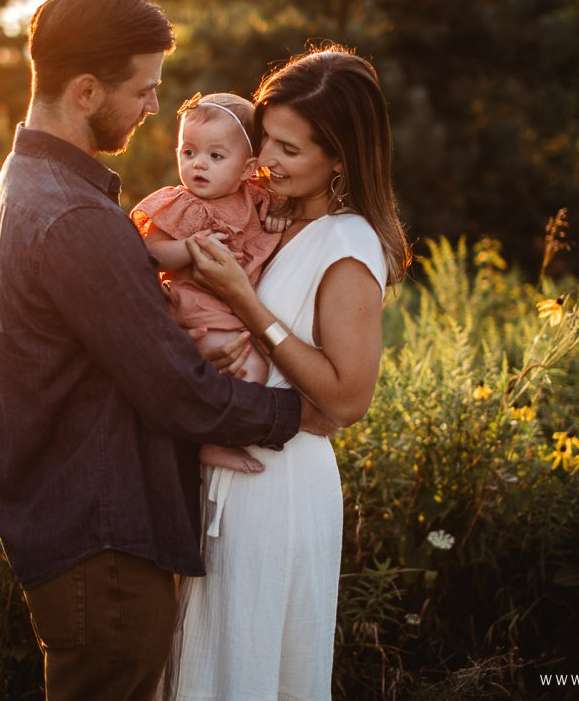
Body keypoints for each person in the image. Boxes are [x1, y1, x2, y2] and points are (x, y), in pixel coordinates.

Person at [0, 0, 333, 701]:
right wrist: (299, 415)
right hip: (102, 542)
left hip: (79, 527)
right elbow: (176, 388)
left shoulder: (25, 182)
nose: (150, 107)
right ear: (85, 91)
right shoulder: (75, 218)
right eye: (143, 90)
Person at [164, 45, 412, 699]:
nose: (266, 159)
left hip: (279, 486)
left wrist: (244, 305)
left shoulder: (347, 246)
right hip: (227, 465)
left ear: (340, 157)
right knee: (208, 662)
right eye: (265, 137)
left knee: (250, 666)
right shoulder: (274, 214)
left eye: (290, 149)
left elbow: (348, 397)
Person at [131, 91, 286, 477]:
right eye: (188, 152)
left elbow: (279, 215)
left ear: (248, 168)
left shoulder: (254, 200)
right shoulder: (177, 204)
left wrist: (278, 219)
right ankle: (213, 442)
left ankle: (210, 436)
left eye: (216, 157)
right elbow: (152, 255)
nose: (198, 164)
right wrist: (188, 247)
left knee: (250, 371)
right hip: (195, 314)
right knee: (252, 370)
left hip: (231, 315)